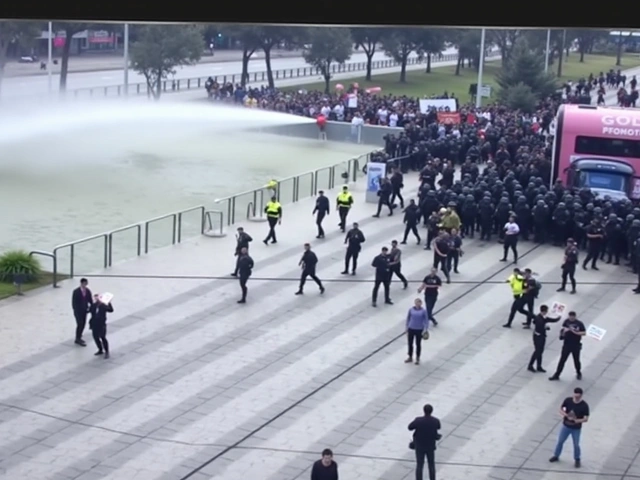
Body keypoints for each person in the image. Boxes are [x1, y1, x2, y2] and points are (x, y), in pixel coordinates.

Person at [549, 387, 590, 468]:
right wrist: (566, 415)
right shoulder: (568, 400)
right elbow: (561, 409)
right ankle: (556, 455)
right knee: (560, 441)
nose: (576, 397)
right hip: (566, 426)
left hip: (576, 428)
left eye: (578, 396)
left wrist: (577, 420)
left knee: (576, 444)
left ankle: (577, 459)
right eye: (575, 396)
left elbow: (586, 419)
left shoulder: (584, 405)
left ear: (581, 396)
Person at [549, 311, 586, 381]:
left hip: (576, 344)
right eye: (570, 316)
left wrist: (575, 332)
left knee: (576, 360)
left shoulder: (579, 323)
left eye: (573, 317)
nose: (571, 318)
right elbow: (562, 330)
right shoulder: (566, 322)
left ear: (575, 316)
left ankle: (578, 372)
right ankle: (557, 374)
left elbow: (584, 332)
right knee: (562, 360)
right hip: (567, 344)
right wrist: (563, 333)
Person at [408, 404, 441, 480]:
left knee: (419, 465)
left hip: (419, 446)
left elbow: (410, 427)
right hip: (430, 446)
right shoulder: (435, 421)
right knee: (431, 465)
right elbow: (438, 427)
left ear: (424, 410)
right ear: (431, 411)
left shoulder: (418, 420)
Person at [527, 304, 561, 372]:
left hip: (540, 336)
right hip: (538, 336)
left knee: (540, 351)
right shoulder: (539, 318)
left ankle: (539, 366)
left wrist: (558, 318)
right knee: (537, 351)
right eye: (547, 311)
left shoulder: (541, 317)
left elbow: (549, 320)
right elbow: (540, 327)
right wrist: (546, 327)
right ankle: (530, 365)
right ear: (544, 311)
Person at [89, 293, 114, 359]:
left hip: (101, 324)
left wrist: (109, 302)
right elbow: (89, 311)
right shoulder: (93, 305)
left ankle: (107, 351)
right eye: (95, 298)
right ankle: (100, 349)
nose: (97, 299)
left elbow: (111, 310)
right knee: (95, 337)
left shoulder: (103, 306)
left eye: (98, 298)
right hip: (94, 324)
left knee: (103, 337)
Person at [405, 298, 429, 365]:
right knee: (410, 343)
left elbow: (426, 320)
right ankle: (410, 356)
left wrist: (425, 329)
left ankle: (417, 357)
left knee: (418, 344)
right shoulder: (411, 310)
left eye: (419, 303)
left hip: (419, 329)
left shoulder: (423, 311)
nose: (417, 304)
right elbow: (408, 318)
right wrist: (406, 327)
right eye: (416, 302)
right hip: (411, 328)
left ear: (421, 303)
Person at [71, 278, 93, 347]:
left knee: (83, 324)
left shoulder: (88, 291)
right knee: (80, 324)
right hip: (78, 311)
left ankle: (79, 336)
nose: (85, 285)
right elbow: (74, 302)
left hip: (84, 310)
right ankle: (77, 338)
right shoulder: (76, 291)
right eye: (84, 283)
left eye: (86, 283)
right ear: (81, 283)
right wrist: (75, 310)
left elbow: (90, 300)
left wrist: (92, 308)